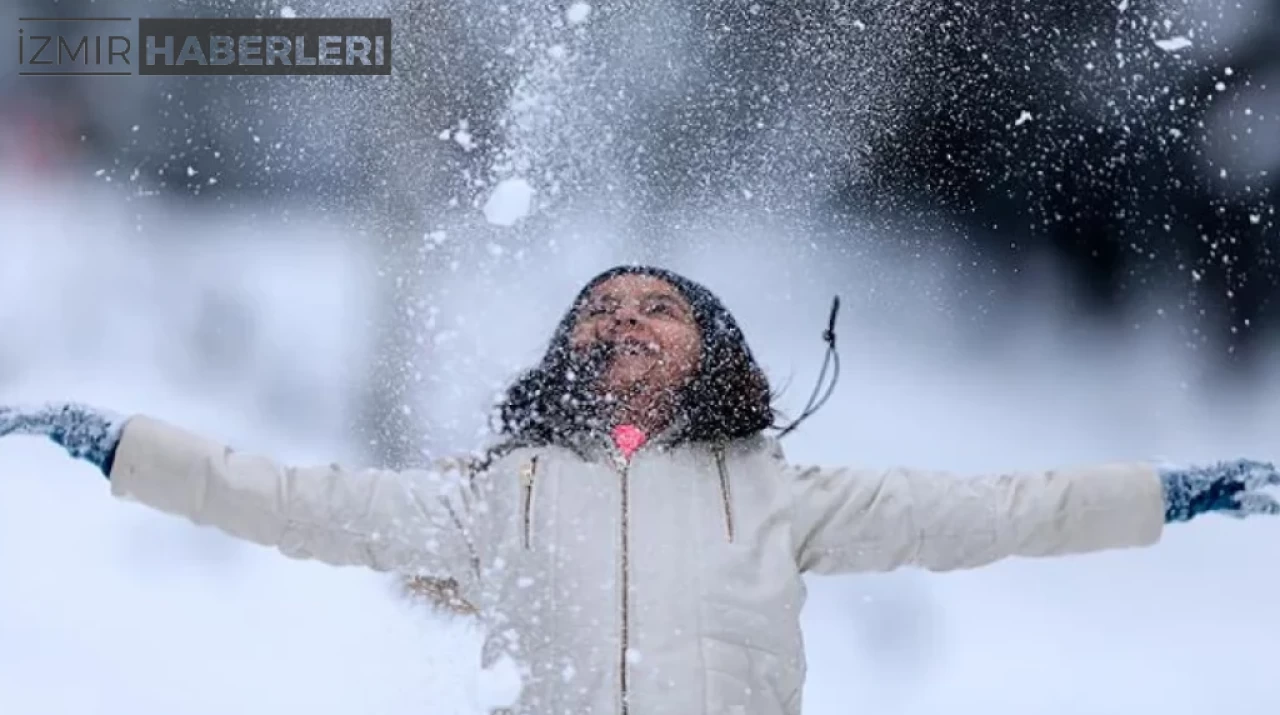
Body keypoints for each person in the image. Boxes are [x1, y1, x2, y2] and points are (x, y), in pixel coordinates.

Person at [1, 264, 1278, 715]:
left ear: (708, 350)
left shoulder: (784, 496)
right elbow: (285, 497)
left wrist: (1176, 492)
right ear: (563, 351)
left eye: (655, 307)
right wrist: (121, 445)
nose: (621, 321)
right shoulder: (489, 500)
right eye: (596, 310)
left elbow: (1005, 507)